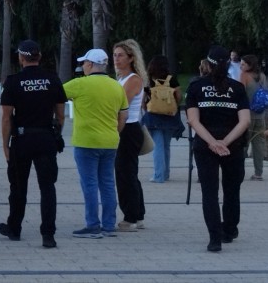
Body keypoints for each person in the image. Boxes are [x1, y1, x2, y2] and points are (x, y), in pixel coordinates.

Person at [0, 40, 66, 248]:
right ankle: (48, 234)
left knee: (18, 187)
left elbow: (7, 117)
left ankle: (15, 228)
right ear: (39, 56)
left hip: (22, 139)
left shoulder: (13, 81)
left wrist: (5, 145)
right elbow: (61, 116)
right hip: (45, 138)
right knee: (47, 188)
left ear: (20, 57)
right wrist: (56, 135)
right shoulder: (52, 79)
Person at [185, 45, 250, 252]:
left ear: (207, 63)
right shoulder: (237, 88)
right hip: (233, 146)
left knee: (209, 192)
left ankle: (214, 239)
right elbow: (245, 121)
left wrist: (212, 142)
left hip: (205, 146)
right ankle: (229, 230)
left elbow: (193, 120)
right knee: (232, 189)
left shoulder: (196, 87)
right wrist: (226, 141)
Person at [63, 48, 128, 239]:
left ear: (90, 64)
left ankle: (92, 225)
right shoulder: (116, 86)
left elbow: (55, 94)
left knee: (89, 184)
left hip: (86, 142)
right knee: (107, 183)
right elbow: (123, 115)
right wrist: (115, 132)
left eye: (84, 63)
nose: (82, 66)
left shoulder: (80, 84)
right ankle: (109, 225)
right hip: (110, 142)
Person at [112, 40, 147, 232]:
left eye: (120, 55)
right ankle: (138, 214)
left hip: (128, 129)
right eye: (115, 55)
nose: (116, 59)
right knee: (128, 173)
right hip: (126, 128)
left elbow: (119, 104)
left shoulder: (133, 79)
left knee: (125, 174)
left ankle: (131, 217)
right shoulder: (119, 79)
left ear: (131, 58)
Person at [141, 55, 183, 183]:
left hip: (154, 116)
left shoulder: (149, 80)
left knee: (158, 146)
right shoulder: (172, 79)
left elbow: (143, 99)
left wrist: (146, 109)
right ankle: (166, 173)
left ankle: (158, 175)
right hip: (170, 116)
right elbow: (179, 96)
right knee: (166, 146)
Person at [239, 54, 268, 180]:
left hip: (247, 115)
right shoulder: (262, 76)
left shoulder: (244, 76)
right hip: (260, 115)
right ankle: (258, 173)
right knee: (259, 145)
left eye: (243, 64)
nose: (240, 66)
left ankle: (239, 171)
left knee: (243, 144)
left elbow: (240, 94)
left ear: (249, 65)